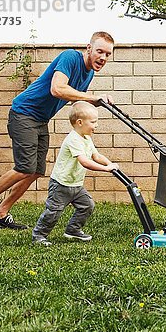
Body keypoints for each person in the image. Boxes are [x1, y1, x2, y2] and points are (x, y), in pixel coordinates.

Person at [0, 31, 115, 232]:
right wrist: (92, 97)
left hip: (40, 119)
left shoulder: (88, 73)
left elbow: (74, 99)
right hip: (24, 113)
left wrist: (96, 104)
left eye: (108, 54)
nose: (103, 57)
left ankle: (1, 212)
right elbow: (57, 89)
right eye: (100, 51)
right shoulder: (70, 58)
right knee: (24, 167)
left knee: (37, 170)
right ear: (88, 48)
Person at [32, 101, 119, 246]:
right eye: (93, 122)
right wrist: (105, 169)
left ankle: (72, 230)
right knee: (53, 212)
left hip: (76, 185)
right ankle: (39, 235)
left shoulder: (86, 138)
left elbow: (96, 156)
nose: (96, 125)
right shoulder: (73, 139)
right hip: (61, 184)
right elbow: (84, 161)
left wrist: (110, 164)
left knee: (87, 205)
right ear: (80, 122)